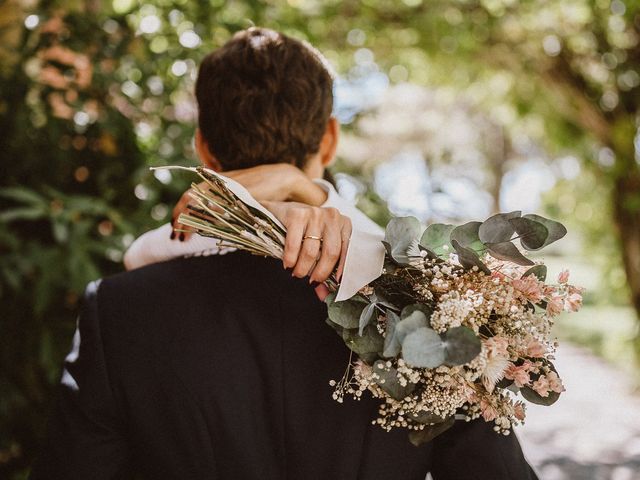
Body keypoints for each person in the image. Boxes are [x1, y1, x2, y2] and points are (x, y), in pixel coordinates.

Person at [30, 27, 539, 479]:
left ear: (204, 149)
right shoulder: (433, 303)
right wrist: (309, 192)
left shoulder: (120, 311)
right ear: (331, 138)